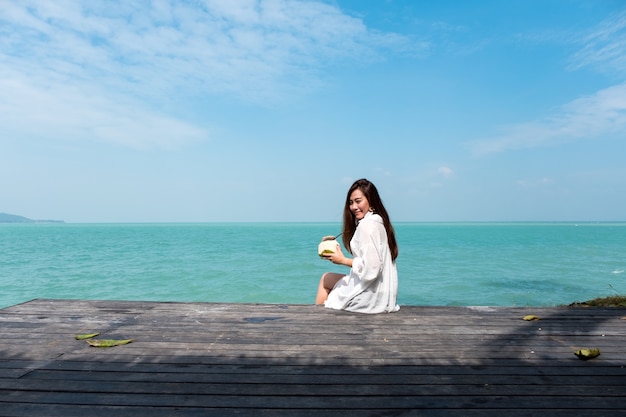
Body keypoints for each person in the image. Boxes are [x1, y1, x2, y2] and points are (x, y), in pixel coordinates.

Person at [316, 178, 399, 313]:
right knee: (327, 278)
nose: (354, 207)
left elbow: (372, 268)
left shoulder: (367, 226)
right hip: (384, 295)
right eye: (351, 202)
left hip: (369, 297)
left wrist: (343, 260)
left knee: (326, 279)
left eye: (358, 201)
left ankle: (317, 319)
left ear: (371, 201)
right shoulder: (378, 222)